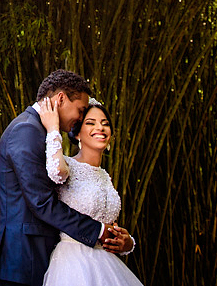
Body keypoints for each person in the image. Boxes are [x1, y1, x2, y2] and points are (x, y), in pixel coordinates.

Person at [0, 70, 133, 286]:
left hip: (44, 258)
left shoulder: (40, 130)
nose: (79, 117)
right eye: (81, 110)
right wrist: (98, 231)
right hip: (22, 259)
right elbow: (42, 202)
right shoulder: (26, 131)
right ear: (60, 99)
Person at [39, 95, 143, 286]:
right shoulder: (67, 166)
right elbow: (57, 172)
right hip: (72, 265)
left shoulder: (105, 176)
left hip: (106, 266)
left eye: (104, 123)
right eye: (91, 123)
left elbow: (109, 227)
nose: (100, 128)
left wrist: (127, 243)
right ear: (77, 133)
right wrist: (53, 129)